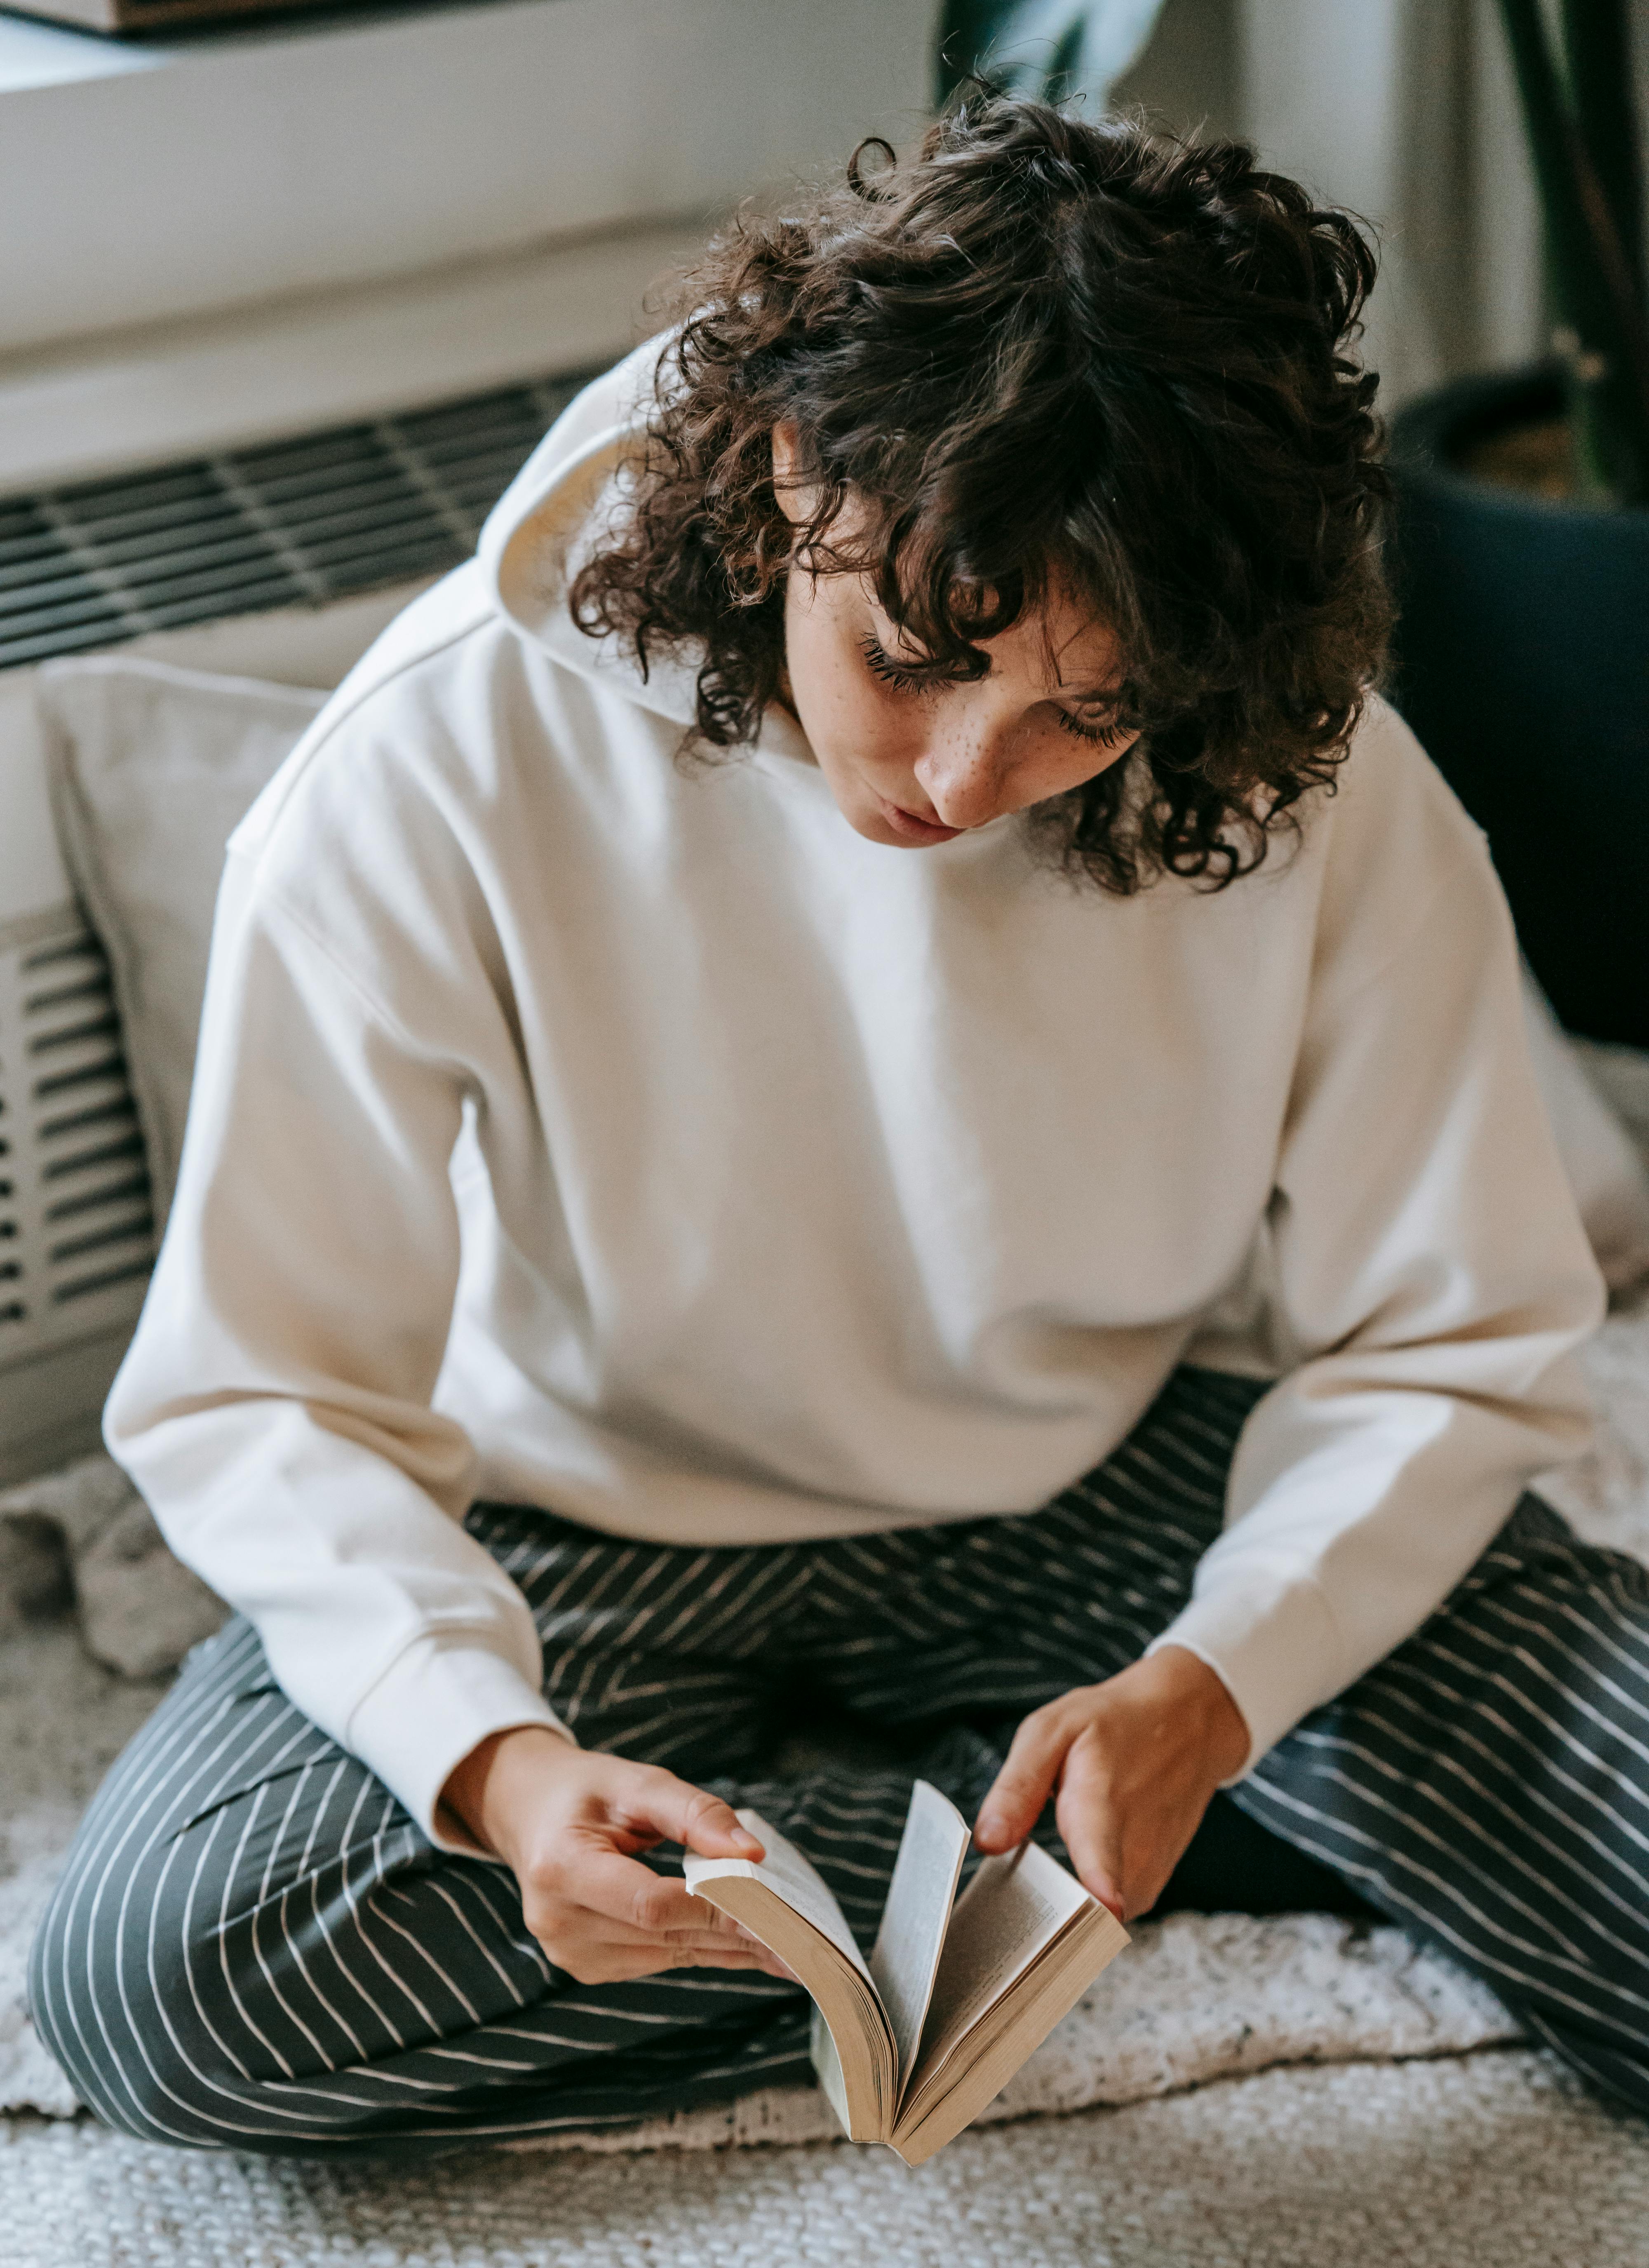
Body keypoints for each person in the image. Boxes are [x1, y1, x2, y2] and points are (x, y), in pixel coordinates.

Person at [30, 98, 1649, 2155]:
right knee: (176, 1983)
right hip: (588, 1520)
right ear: (792, 468)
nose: (970, 779)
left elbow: (1447, 1337)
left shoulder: (1309, 782)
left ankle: (1105, 1808)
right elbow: (268, 1392)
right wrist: (498, 1762)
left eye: (1087, 712)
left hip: (1099, 1481)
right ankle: (995, 1855)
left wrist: (1219, 1680)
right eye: (914, 658)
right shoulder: (431, 764)